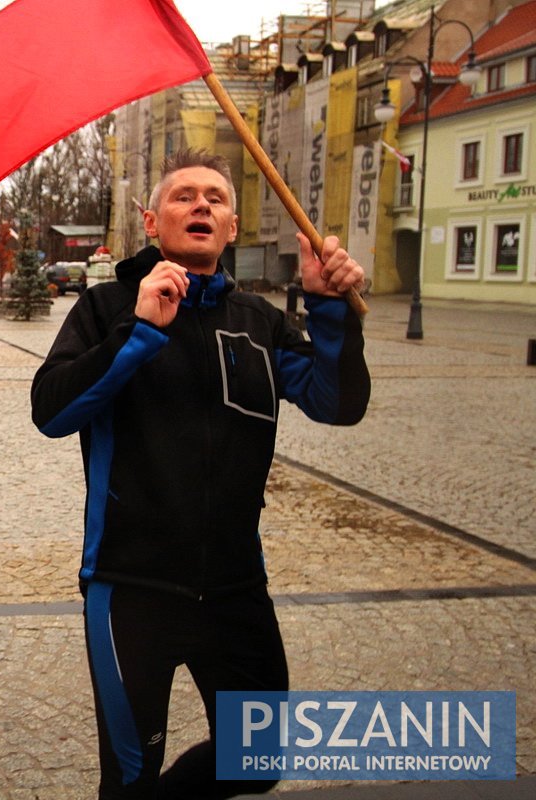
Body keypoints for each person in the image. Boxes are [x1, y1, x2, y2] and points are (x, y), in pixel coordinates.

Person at [31, 148, 370, 800]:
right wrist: (139, 331)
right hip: (131, 589)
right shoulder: (106, 308)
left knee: (258, 758)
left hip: (234, 586)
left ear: (233, 227)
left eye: (214, 197)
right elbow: (53, 411)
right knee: (130, 777)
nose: (201, 204)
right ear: (152, 222)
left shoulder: (260, 322)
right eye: (184, 195)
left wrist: (329, 311)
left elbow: (337, 404)